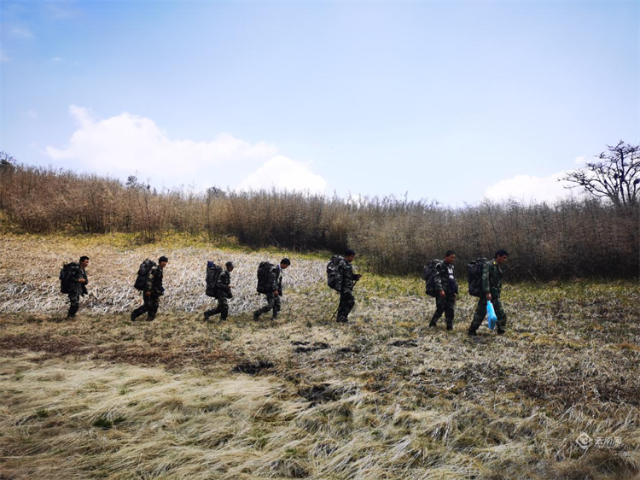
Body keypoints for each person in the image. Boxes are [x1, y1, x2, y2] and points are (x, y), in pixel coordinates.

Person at [468, 249, 508, 336]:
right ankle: (472, 330)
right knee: (480, 313)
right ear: (498, 256)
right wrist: (487, 292)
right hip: (487, 295)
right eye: (503, 258)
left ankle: (501, 330)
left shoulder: (497, 266)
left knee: (501, 313)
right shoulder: (489, 265)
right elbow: (485, 279)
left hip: (495, 294)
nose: (504, 260)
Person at [131, 256, 168, 322]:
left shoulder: (160, 269)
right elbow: (149, 279)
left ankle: (151, 317)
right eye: (163, 261)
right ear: (160, 262)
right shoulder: (155, 269)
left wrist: (160, 289)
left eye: (165, 262)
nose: (165, 263)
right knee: (148, 305)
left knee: (155, 304)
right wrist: (148, 290)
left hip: (155, 290)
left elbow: (158, 281)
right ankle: (135, 314)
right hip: (149, 290)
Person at [429, 250, 458, 330]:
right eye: (451, 257)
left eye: (454, 258)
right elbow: (437, 278)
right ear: (446, 257)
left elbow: (453, 279)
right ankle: (433, 323)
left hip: (451, 291)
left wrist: (455, 291)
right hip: (443, 291)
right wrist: (440, 289)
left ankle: (449, 326)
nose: (453, 259)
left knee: (450, 309)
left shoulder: (451, 267)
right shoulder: (440, 265)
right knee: (440, 308)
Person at [335, 249, 362, 323]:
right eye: (351, 257)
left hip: (348, 287)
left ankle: (340, 318)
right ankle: (343, 318)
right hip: (344, 287)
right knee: (350, 301)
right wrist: (338, 287)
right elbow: (339, 276)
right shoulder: (342, 264)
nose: (352, 259)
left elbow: (349, 276)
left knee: (343, 303)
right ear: (346, 256)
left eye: (353, 257)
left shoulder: (348, 265)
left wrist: (356, 277)